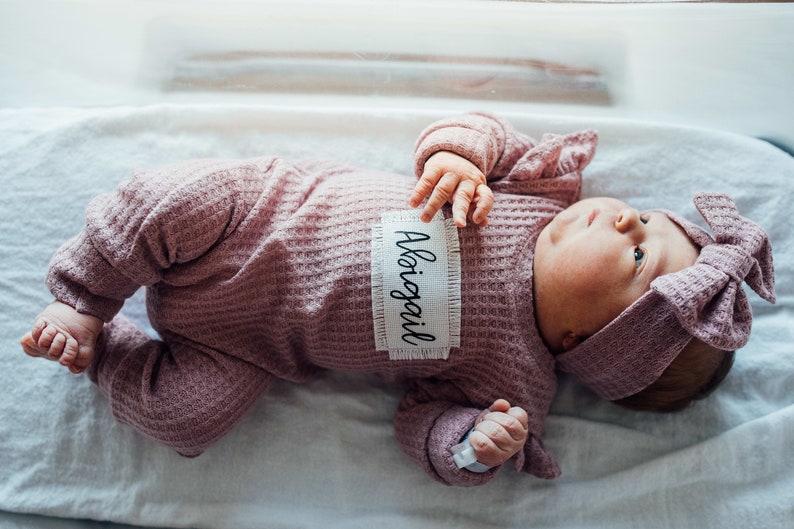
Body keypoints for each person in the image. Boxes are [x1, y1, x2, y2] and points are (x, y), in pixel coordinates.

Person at [20, 113, 775, 487]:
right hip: (257, 213)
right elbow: (473, 128)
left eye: (636, 254)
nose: (621, 218)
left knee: (188, 419)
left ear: (585, 338)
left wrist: (469, 445)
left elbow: (421, 425)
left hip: (245, 344)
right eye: (643, 217)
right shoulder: (535, 192)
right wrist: (456, 156)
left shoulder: (512, 386)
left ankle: (104, 350)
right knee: (173, 195)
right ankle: (85, 294)